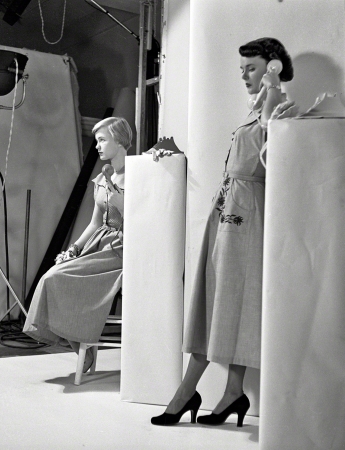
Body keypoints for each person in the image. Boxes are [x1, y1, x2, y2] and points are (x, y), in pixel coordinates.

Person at [151, 37, 294, 427]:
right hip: (228, 205)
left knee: (232, 300)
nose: (245, 75)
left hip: (247, 211)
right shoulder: (258, 108)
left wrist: (273, 85)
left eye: (252, 67)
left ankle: (197, 393)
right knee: (215, 296)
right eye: (242, 69)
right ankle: (224, 392)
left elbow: (269, 132)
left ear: (272, 65)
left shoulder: (277, 104)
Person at [23, 116, 132, 372]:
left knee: (58, 280)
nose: (97, 146)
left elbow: (139, 218)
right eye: (97, 140)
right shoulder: (102, 180)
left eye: (102, 140)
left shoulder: (138, 176)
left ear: (119, 139)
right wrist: (73, 249)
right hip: (98, 243)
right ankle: (79, 343)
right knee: (52, 275)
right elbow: (94, 223)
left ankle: (83, 345)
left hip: (122, 249)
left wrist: (119, 199)